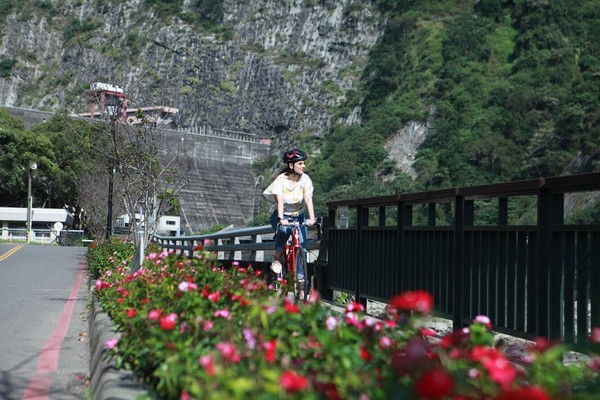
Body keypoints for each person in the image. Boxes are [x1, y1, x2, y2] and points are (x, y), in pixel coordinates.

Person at [263, 148, 316, 280]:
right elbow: (280, 201)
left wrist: (312, 218)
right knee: (284, 231)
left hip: (299, 216)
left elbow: (308, 198)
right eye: (300, 163)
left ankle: (300, 277)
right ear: (291, 165)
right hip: (282, 215)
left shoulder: (305, 179)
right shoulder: (281, 180)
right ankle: (276, 259)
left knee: (302, 246)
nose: (303, 166)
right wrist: (281, 218)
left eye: (304, 163)